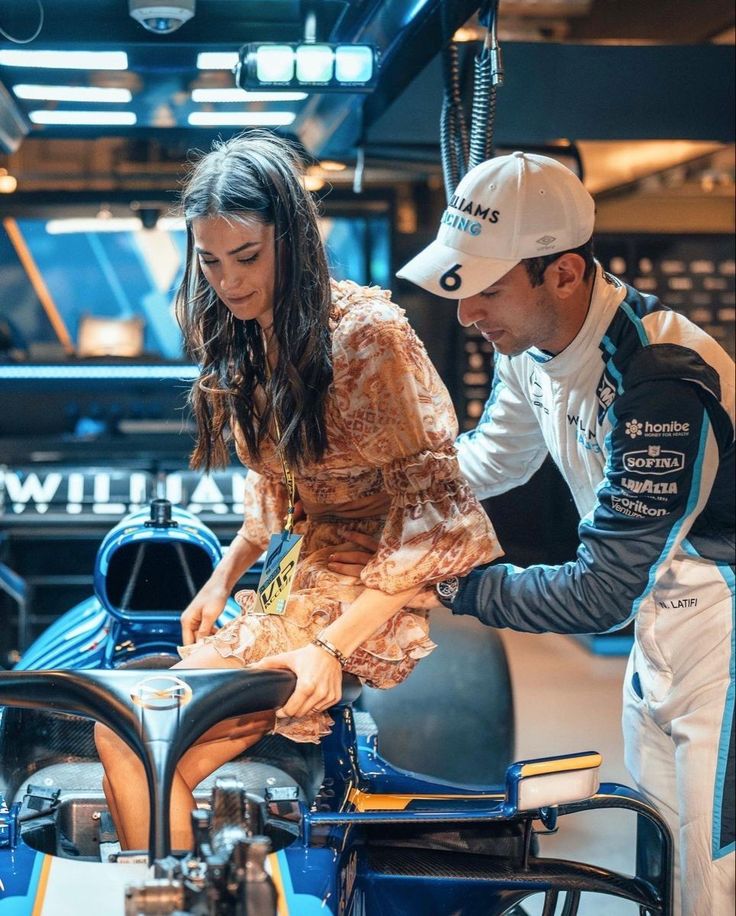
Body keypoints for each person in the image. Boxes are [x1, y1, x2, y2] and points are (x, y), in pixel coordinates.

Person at [94, 132, 501, 851]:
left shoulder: (368, 334)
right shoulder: (248, 336)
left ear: (293, 238)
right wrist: (219, 582)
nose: (229, 282)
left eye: (246, 258)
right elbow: (276, 484)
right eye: (211, 262)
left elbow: (436, 515)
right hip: (299, 572)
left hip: (372, 582)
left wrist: (328, 649)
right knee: (120, 732)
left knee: (151, 749)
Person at [384, 150, 734, 916]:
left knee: (718, 887)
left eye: (488, 290)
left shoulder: (661, 380)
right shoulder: (533, 352)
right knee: (664, 873)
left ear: (565, 274)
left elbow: (600, 592)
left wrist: (444, 581)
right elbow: (489, 461)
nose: (468, 314)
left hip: (725, 646)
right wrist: (373, 500)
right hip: (661, 640)